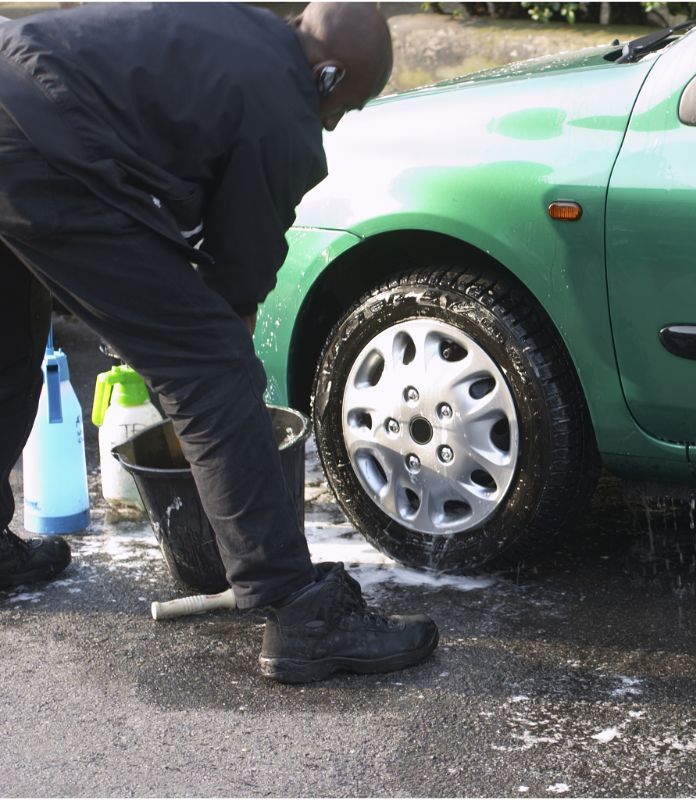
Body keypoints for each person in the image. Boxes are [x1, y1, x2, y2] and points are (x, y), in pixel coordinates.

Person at [0, 3, 439, 684]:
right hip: (45, 144)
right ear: (327, 75)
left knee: (7, 337)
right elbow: (236, 277)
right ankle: (299, 611)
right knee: (212, 368)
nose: (336, 121)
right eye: (346, 106)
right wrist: (214, 346)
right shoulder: (283, 110)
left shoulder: (244, 26)